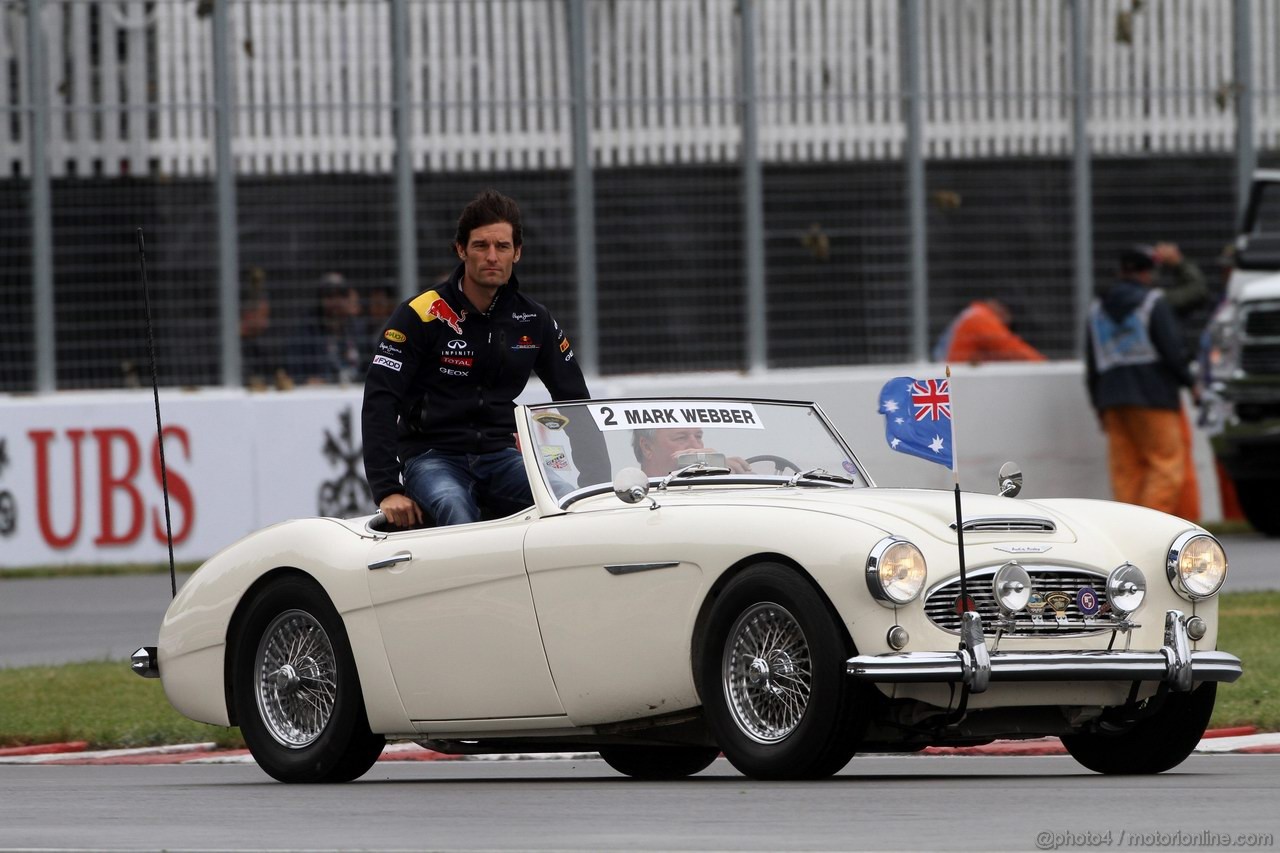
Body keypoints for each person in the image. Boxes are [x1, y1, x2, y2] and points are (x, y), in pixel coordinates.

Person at [362, 190, 592, 528]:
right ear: (461, 250)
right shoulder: (420, 313)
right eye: (480, 246)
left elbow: (574, 399)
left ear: (517, 253)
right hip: (431, 458)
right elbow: (380, 399)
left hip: (502, 457)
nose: (491, 257)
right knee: (455, 508)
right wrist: (386, 489)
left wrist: (592, 477)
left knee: (565, 504)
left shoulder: (534, 318)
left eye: (502, 247)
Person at [1086, 246, 1199, 516]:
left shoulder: (1097, 309)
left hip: (1112, 399)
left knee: (1126, 470)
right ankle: (1151, 525)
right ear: (1147, 273)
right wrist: (1190, 382)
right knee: (1166, 463)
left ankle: (1128, 529)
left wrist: (1098, 405)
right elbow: (1171, 349)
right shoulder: (1153, 302)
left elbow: (1092, 363)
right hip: (1153, 396)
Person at [289, 272, 365, 384]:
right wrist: (307, 381)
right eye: (330, 295)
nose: (336, 301)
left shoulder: (359, 329)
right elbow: (296, 373)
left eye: (342, 294)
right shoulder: (306, 333)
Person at [932, 298, 1046, 364]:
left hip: (954, 371)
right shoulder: (981, 319)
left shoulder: (973, 313)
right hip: (958, 375)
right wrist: (1042, 364)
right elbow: (1009, 346)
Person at [632, 427, 750, 477]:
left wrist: (725, 475)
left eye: (698, 437)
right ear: (647, 447)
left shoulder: (720, 492)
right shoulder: (624, 501)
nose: (695, 446)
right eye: (681, 438)